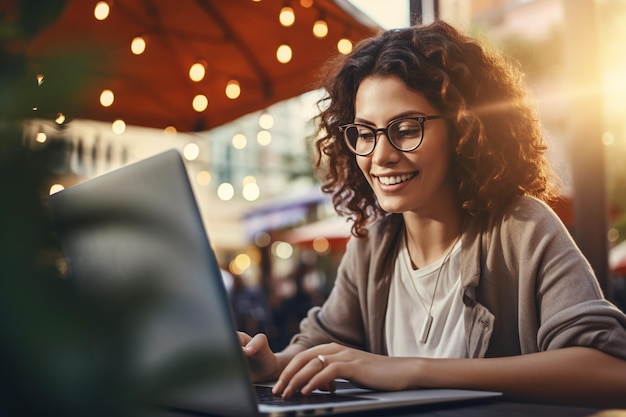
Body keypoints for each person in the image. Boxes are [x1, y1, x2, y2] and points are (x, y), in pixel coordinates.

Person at [238, 20, 626, 407]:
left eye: (406, 129)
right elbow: (319, 344)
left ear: (464, 128)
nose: (380, 156)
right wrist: (272, 365)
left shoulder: (522, 229)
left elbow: (609, 371)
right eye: (366, 133)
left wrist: (410, 370)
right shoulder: (374, 246)